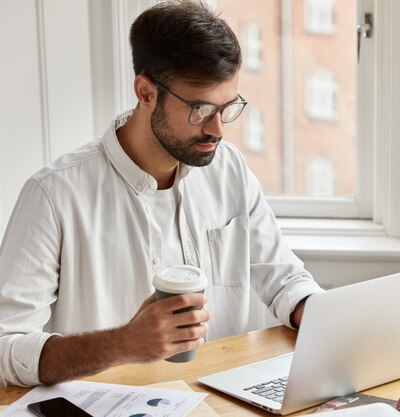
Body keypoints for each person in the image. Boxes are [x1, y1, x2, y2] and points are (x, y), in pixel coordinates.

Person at [0, 0, 323, 387]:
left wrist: (327, 317)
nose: (218, 129)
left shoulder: (228, 167)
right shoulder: (53, 196)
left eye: (228, 107)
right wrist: (122, 343)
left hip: (221, 406)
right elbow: (5, 349)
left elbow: (284, 278)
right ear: (146, 92)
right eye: (201, 109)